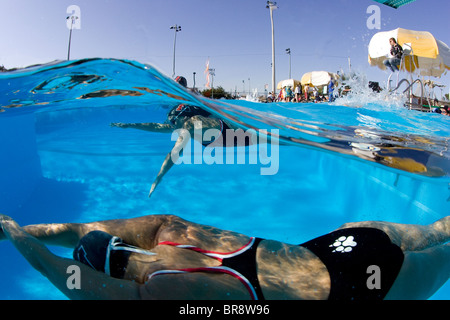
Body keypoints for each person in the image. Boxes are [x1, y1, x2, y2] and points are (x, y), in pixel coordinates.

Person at [1, 213, 448, 300]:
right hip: (343, 243)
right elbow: (75, 232)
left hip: (356, 290)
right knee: (439, 229)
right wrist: (13, 226)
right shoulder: (170, 229)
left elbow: (52, 268)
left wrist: (20, 240)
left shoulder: (161, 293)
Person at [111, 76, 256, 198]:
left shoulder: (192, 107)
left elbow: (220, 115)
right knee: (260, 138)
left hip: (223, 132)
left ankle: (266, 135)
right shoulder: (174, 113)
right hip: (214, 137)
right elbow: (157, 127)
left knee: (260, 137)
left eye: (177, 88)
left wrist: (158, 178)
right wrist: (130, 125)